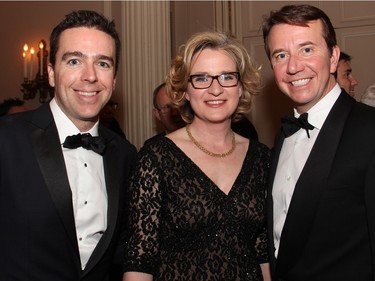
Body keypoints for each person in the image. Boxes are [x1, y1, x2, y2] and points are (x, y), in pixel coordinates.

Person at [123, 31, 271, 281]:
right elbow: (140, 261)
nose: (215, 89)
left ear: (241, 87)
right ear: (186, 91)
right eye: (201, 78)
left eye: (227, 77)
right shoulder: (156, 158)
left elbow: (262, 250)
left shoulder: (261, 157)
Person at [0, 10, 137, 281]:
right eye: (74, 61)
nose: (90, 76)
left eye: (103, 64)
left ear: (115, 79)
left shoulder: (126, 155)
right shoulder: (6, 139)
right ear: (51, 73)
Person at [262, 4, 375, 281]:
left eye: (307, 49)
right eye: (281, 55)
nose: (293, 66)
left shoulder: (370, 130)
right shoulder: (282, 136)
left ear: (334, 57)